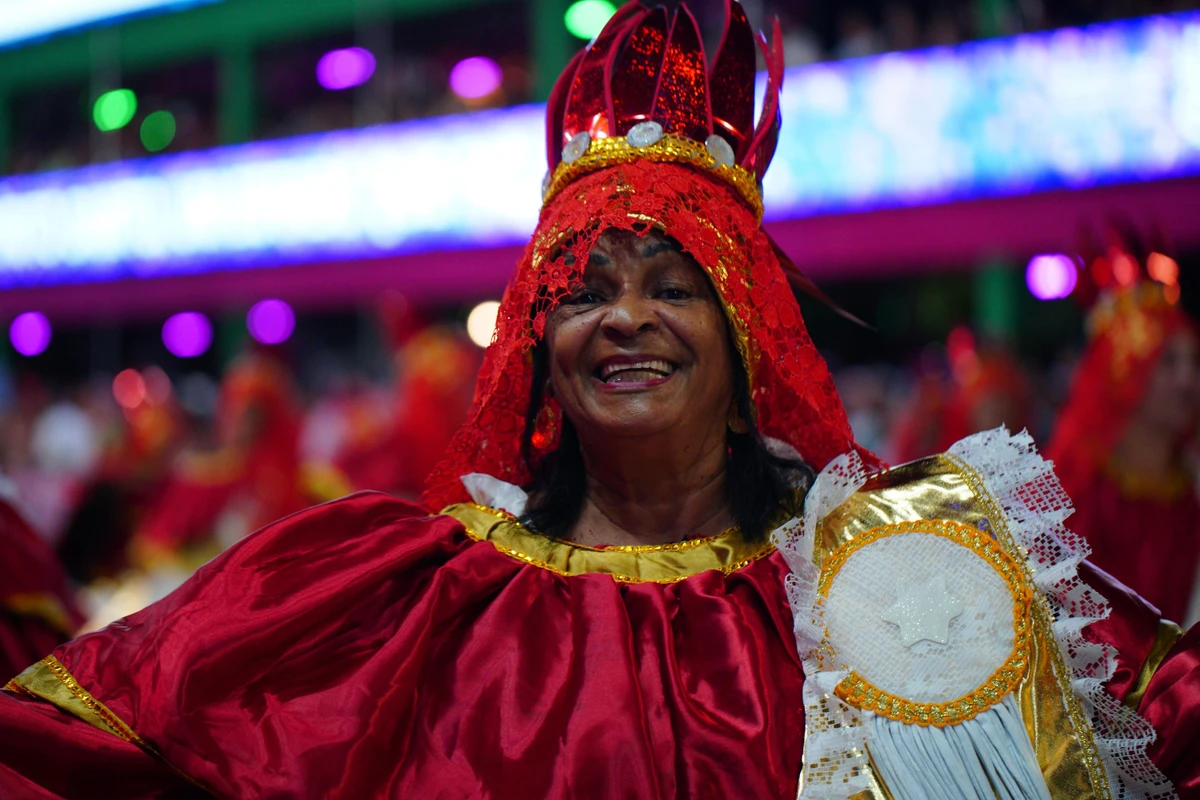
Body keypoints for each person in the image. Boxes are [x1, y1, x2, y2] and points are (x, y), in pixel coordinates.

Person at [0, 2, 1197, 797]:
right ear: (539, 343)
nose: (624, 315)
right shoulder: (406, 593)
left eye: (674, 285)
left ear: (746, 340)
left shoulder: (903, 566)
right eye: (584, 291)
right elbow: (84, 740)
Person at [1047, 277, 1200, 625]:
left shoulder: (1192, 485)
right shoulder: (1079, 488)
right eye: (1168, 362)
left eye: (1194, 361)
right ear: (1124, 371)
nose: (1188, 379)